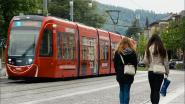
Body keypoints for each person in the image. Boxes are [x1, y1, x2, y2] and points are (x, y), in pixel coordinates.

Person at [143, 33, 169, 104]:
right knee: (157, 90)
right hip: (160, 72)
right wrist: (167, 72)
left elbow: (145, 60)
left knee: (152, 89)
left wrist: (149, 65)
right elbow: (166, 62)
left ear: (151, 40)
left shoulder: (148, 48)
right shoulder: (163, 48)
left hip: (151, 71)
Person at [113, 37, 137, 104]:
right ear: (129, 43)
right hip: (129, 74)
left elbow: (115, 64)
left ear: (121, 43)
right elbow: (135, 64)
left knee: (121, 90)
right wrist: (134, 72)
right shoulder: (133, 52)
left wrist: (117, 72)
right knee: (127, 91)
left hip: (120, 74)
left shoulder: (117, 52)